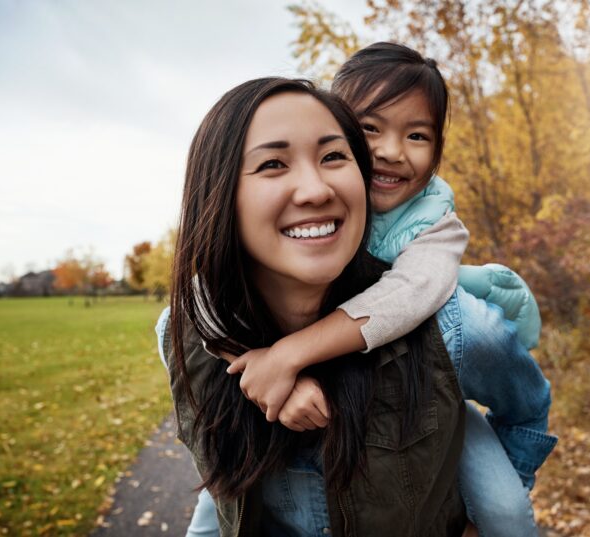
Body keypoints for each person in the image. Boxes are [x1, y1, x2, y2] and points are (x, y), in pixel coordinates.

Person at [178, 43, 556, 537]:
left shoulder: (435, 230)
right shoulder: (198, 318)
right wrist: (262, 368)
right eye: (370, 129)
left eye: (417, 134)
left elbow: (413, 292)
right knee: (213, 510)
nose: (391, 151)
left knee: (506, 512)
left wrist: (289, 355)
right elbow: (194, 304)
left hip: (439, 400)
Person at [159, 77, 469, 536]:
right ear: (218, 195)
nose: (315, 190)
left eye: (332, 156)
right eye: (272, 164)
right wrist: (257, 372)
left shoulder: (457, 325)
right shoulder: (181, 332)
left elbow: (524, 408)